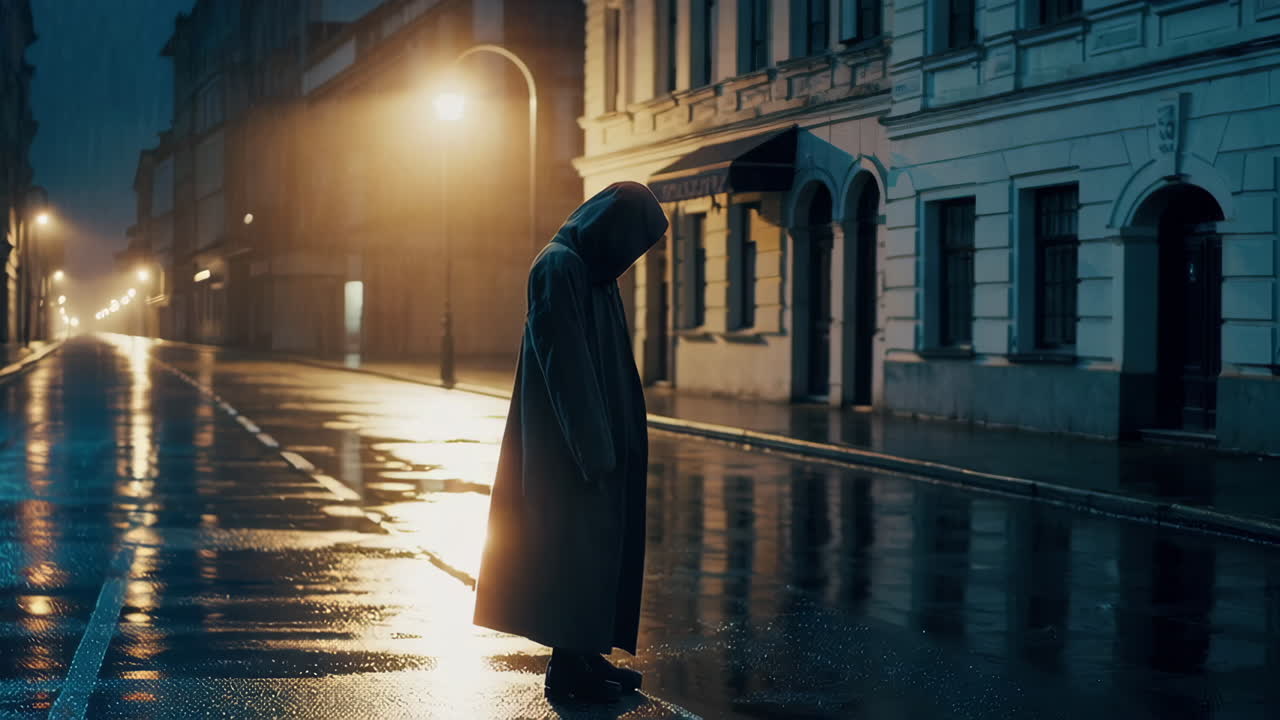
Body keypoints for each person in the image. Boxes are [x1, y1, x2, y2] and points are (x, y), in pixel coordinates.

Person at [473, 182, 669, 704]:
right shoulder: (559, 267)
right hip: (571, 448)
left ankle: (584, 653)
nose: (631, 257)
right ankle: (569, 669)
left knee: (595, 551)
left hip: (595, 441)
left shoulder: (590, 270)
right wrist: (593, 448)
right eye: (632, 241)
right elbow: (566, 366)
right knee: (572, 551)